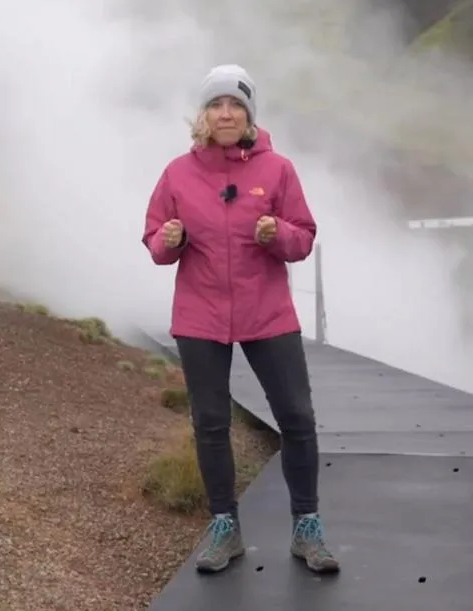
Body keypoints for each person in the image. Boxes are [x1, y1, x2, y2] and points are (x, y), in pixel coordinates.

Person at [141, 64, 339, 575]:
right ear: (203, 115)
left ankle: (307, 526)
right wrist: (170, 240)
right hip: (200, 316)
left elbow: (303, 236)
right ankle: (224, 526)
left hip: (267, 313)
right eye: (216, 104)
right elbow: (155, 240)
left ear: (249, 116)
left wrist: (279, 235)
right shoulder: (177, 174)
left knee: (297, 418)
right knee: (210, 423)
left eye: (236, 105)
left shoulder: (278, 170)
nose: (226, 113)